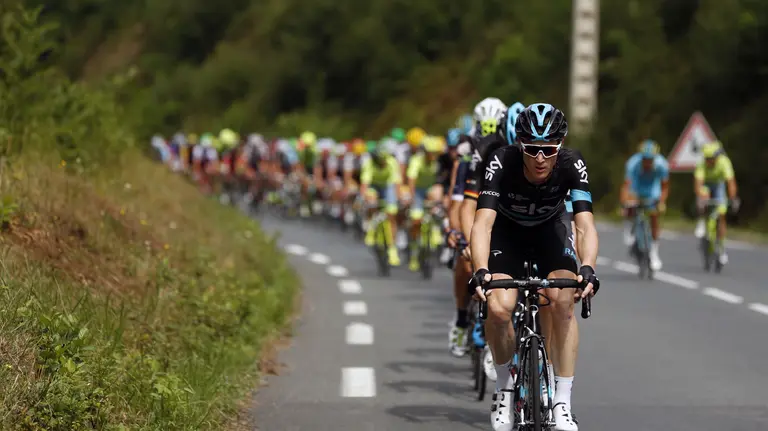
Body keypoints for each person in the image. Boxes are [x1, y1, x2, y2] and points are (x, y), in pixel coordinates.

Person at [470, 103, 599, 431]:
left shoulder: (572, 163)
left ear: (560, 145)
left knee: (563, 301)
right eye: (532, 149)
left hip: (549, 232)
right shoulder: (501, 161)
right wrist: (481, 271)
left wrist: (587, 267)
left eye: (548, 149)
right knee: (499, 310)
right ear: (519, 145)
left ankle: (562, 402)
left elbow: (584, 225)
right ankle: (503, 389)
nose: (540, 158)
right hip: (507, 234)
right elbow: (483, 223)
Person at [619, 139, 670, 270]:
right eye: (645, 159)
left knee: (654, 216)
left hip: (652, 190)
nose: (648, 162)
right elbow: (626, 186)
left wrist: (662, 201)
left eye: (650, 159)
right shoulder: (633, 164)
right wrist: (625, 203)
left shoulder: (662, 164)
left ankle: (654, 252)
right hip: (636, 189)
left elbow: (664, 187)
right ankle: (630, 229)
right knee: (630, 208)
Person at [693, 141, 740, 265]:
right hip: (706, 186)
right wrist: (700, 196)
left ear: (717, 157)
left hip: (718, 186)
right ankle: (701, 221)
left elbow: (730, 182)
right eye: (707, 158)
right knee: (704, 194)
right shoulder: (701, 165)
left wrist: (733, 198)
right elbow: (698, 184)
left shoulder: (724, 162)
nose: (709, 161)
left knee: (721, 213)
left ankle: (721, 248)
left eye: (711, 159)